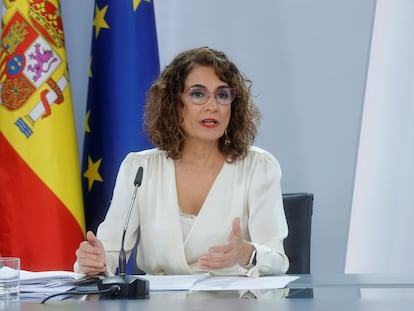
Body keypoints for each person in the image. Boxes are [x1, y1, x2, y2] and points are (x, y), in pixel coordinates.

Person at [74, 47, 289, 277]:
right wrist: (93, 261)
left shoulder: (259, 167)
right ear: (175, 104)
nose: (212, 106)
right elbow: (109, 253)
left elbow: (277, 261)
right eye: (198, 94)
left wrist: (247, 253)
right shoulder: (140, 168)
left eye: (223, 95)